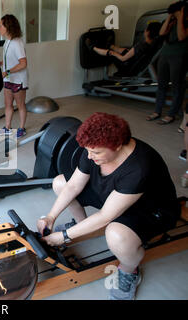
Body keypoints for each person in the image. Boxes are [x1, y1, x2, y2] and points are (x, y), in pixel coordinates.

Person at [36, 112, 180, 300]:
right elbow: (73, 185)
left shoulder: (139, 167)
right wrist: (51, 216)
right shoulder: (93, 149)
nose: (89, 156)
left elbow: (106, 216)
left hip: (149, 211)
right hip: (113, 196)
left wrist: (63, 237)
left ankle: (129, 271)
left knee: (116, 234)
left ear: (118, 145)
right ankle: (83, 225)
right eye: (88, 150)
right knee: (60, 182)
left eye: (96, 152)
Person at [146, 1, 188, 125]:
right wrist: (170, 16)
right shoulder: (171, 21)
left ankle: (171, 114)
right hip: (165, 55)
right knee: (161, 85)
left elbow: (181, 36)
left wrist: (181, 17)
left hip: (180, 56)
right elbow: (161, 33)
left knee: (177, 86)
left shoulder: (185, 21)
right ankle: (157, 111)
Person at [0, 14, 29, 138]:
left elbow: (23, 63)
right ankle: (7, 127)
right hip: (9, 79)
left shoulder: (17, 42)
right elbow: (11, 60)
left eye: (0, 26)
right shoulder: (7, 42)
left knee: (20, 105)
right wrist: (0, 63)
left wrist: (7, 71)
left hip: (18, 80)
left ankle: (21, 129)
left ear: (8, 27)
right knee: (8, 104)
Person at [88, 22, 161, 76]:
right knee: (126, 50)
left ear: (147, 32)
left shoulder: (141, 45)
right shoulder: (154, 45)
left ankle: (92, 47)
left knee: (111, 53)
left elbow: (123, 59)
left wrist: (114, 53)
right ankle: (109, 45)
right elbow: (132, 53)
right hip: (134, 64)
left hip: (127, 68)